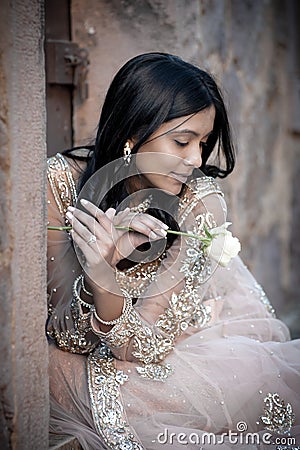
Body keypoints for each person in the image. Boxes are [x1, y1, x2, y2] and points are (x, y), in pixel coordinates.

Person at [47, 53, 300, 450]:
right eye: (182, 142)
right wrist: (99, 271)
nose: (196, 160)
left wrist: (105, 277)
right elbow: (65, 336)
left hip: (172, 352)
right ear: (133, 132)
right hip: (87, 354)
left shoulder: (199, 202)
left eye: (203, 143)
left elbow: (143, 348)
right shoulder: (59, 183)